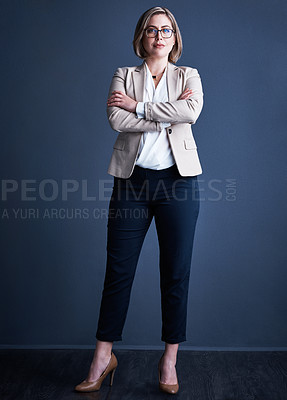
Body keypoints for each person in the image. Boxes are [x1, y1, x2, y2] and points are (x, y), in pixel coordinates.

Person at [75, 6, 204, 395]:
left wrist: (140, 107)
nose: (160, 36)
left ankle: (169, 360)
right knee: (118, 273)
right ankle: (102, 358)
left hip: (178, 184)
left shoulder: (189, 76)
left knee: (175, 273)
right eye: (152, 30)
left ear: (175, 38)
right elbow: (117, 120)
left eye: (166, 30)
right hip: (131, 183)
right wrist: (164, 114)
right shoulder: (124, 75)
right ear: (141, 37)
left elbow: (191, 111)